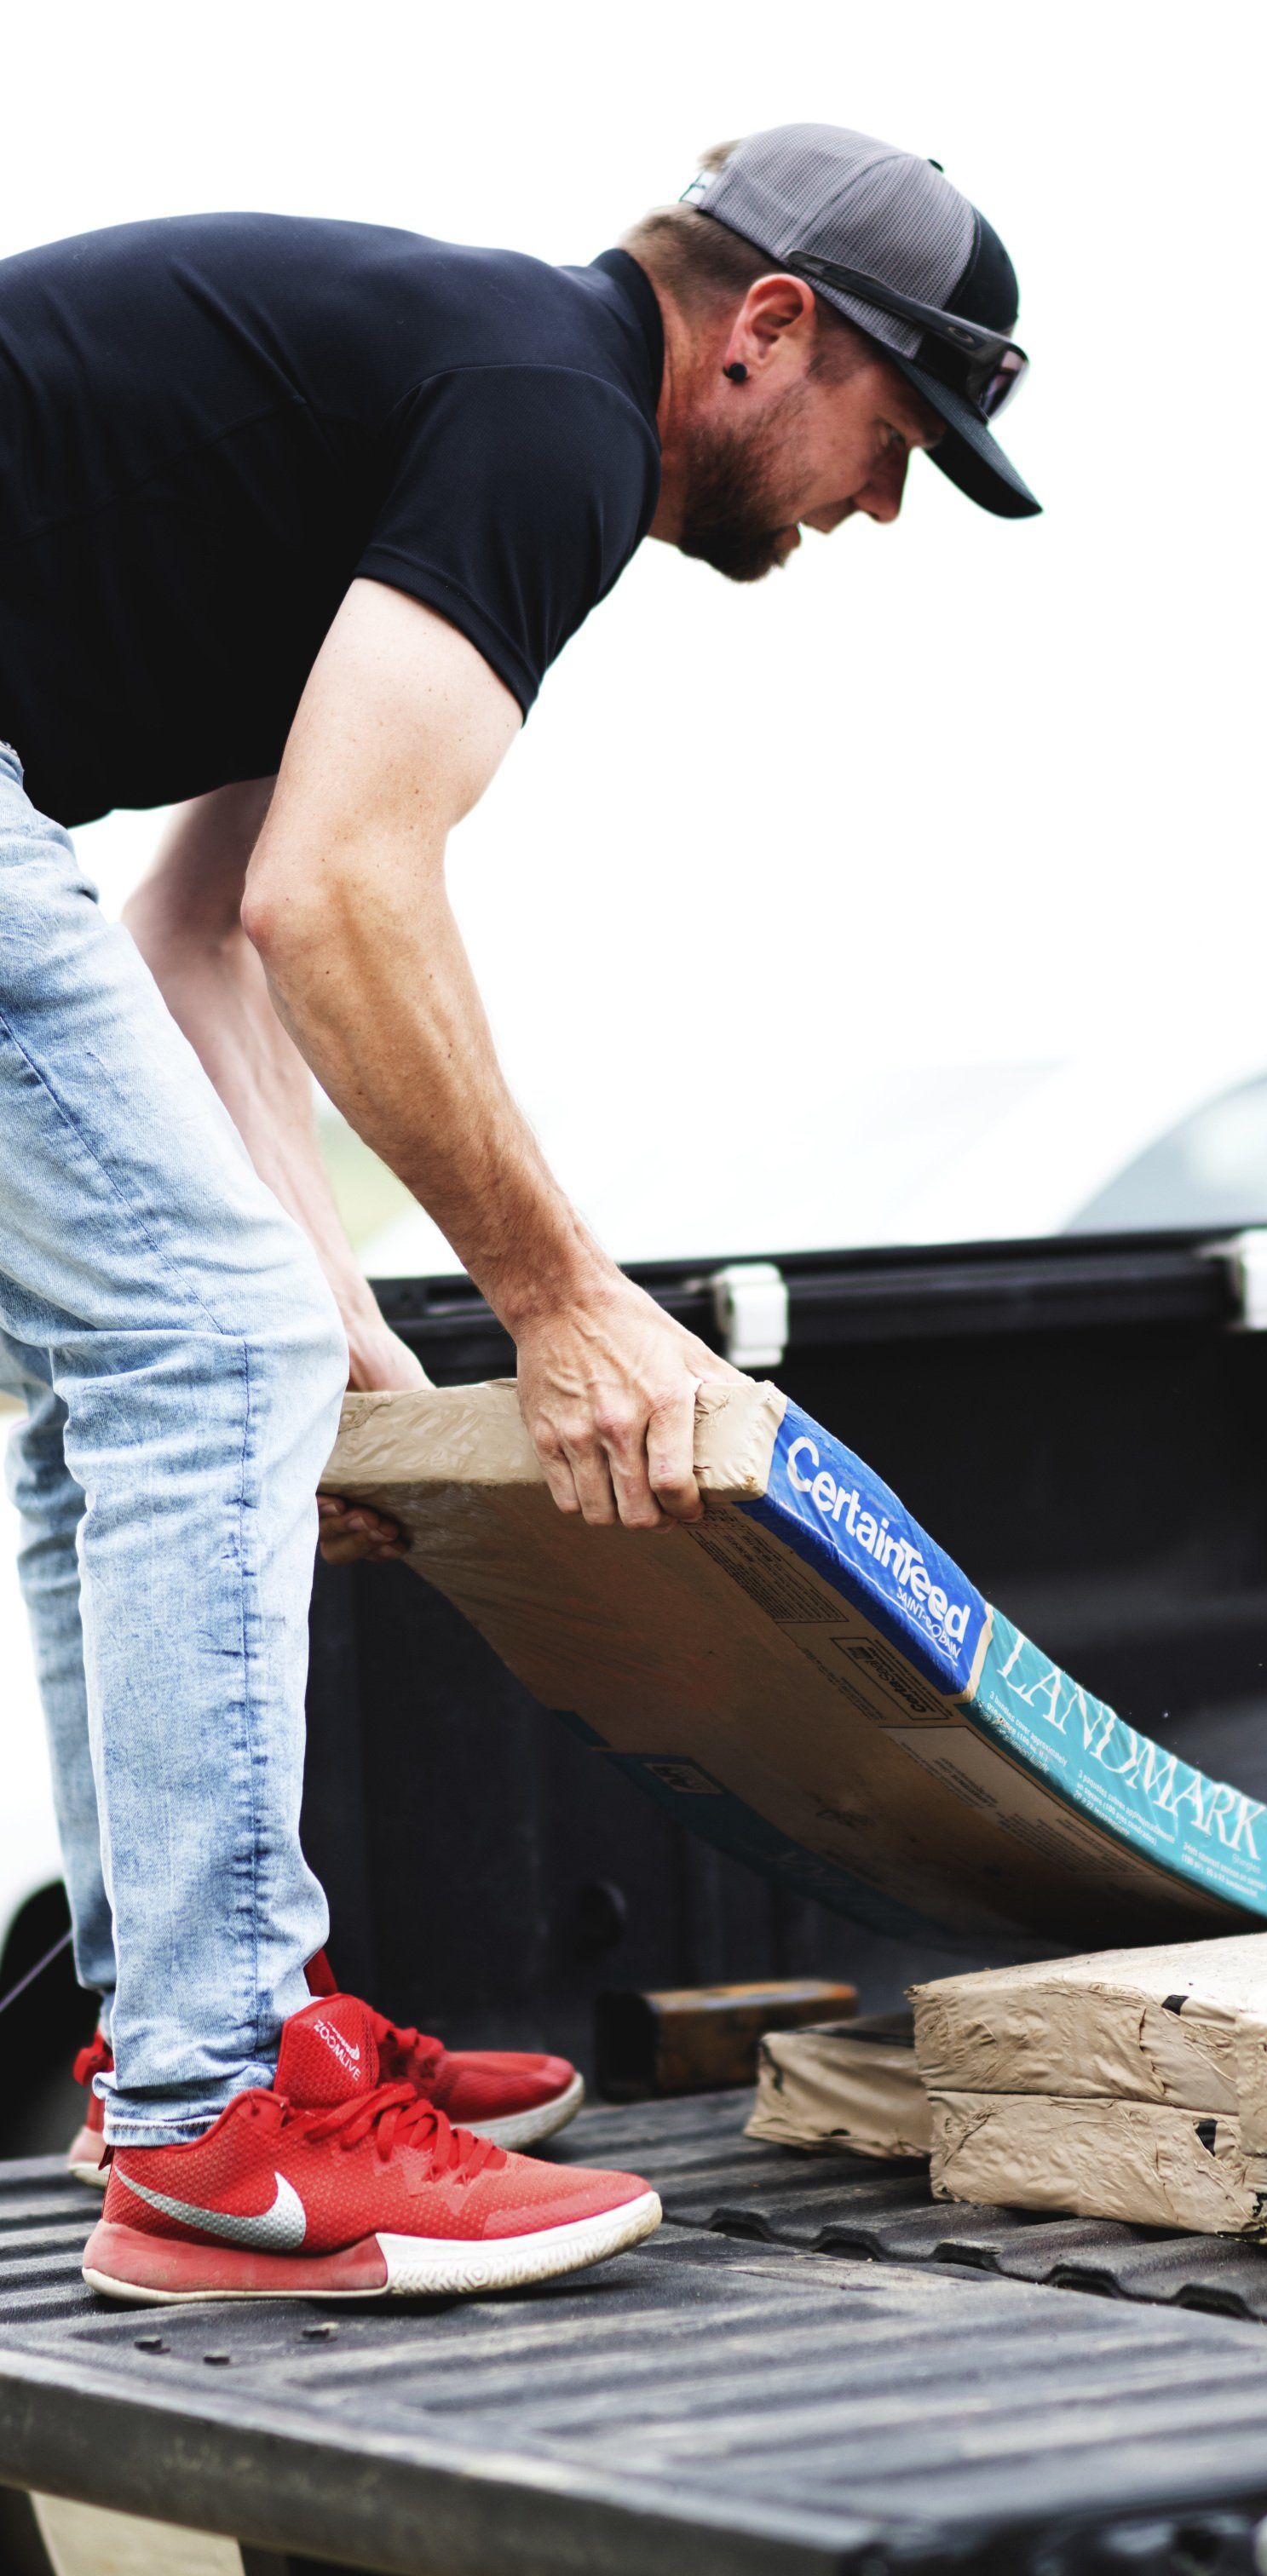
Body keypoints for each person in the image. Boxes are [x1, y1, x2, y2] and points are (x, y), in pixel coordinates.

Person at [0, 124, 1039, 2304]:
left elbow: (206, 932)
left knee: (155, 1364)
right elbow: (343, 899)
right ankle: (221, 2124)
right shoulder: (551, 413)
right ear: (768, 329)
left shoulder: (454, 387)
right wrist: (563, 1306)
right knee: (192, 1349)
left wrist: (350, 1343)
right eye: (896, 430)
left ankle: (188, 2046)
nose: (878, 501)